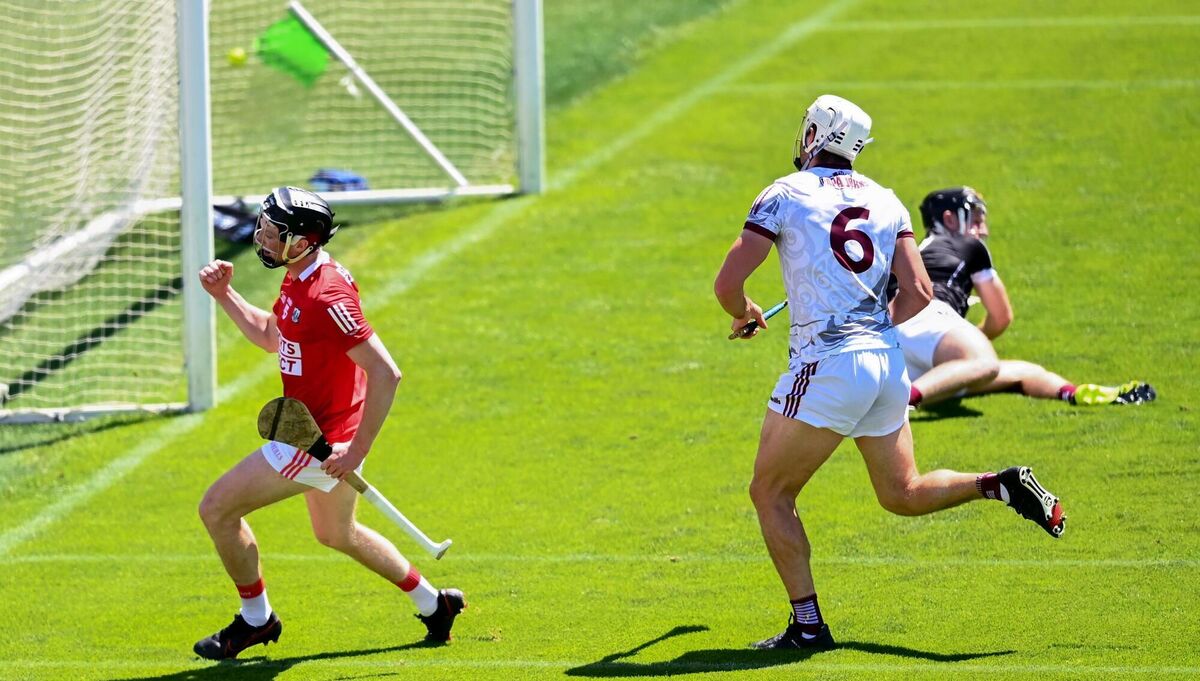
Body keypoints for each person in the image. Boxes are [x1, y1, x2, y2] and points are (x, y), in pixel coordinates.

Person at [713, 95, 1066, 652]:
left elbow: (726, 284)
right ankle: (994, 484)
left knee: (770, 492)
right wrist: (873, 323)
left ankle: (808, 626)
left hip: (827, 366)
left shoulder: (782, 193)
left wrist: (743, 312)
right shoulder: (886, 199)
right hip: (885, 363)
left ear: (814, 135)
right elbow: (921, 292)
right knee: (902, 492)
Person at [192, 187, 464, 660]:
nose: (260, 237)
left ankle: (256, 620)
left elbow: (386, 372)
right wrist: (224, 294)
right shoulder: (300, 277)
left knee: (217, 509)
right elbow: (271, 336)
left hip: (316, 439)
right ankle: (434, 603)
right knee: (337, 534)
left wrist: (353, 451)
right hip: (313, 430)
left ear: (302, 241)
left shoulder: (327, 294)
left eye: (271, 232)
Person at [898, 187, 1156, 408]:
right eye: (976, 219)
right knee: (983, 362)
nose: (983, 230)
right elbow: (1001, 317)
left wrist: (957, 344)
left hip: (894, 334)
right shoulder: (967, 245)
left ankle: (1074, 394)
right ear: (950, 219)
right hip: (929, 313)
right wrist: (974, 337)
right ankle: (905, 399)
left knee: (1021, 371)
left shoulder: (912, 251)